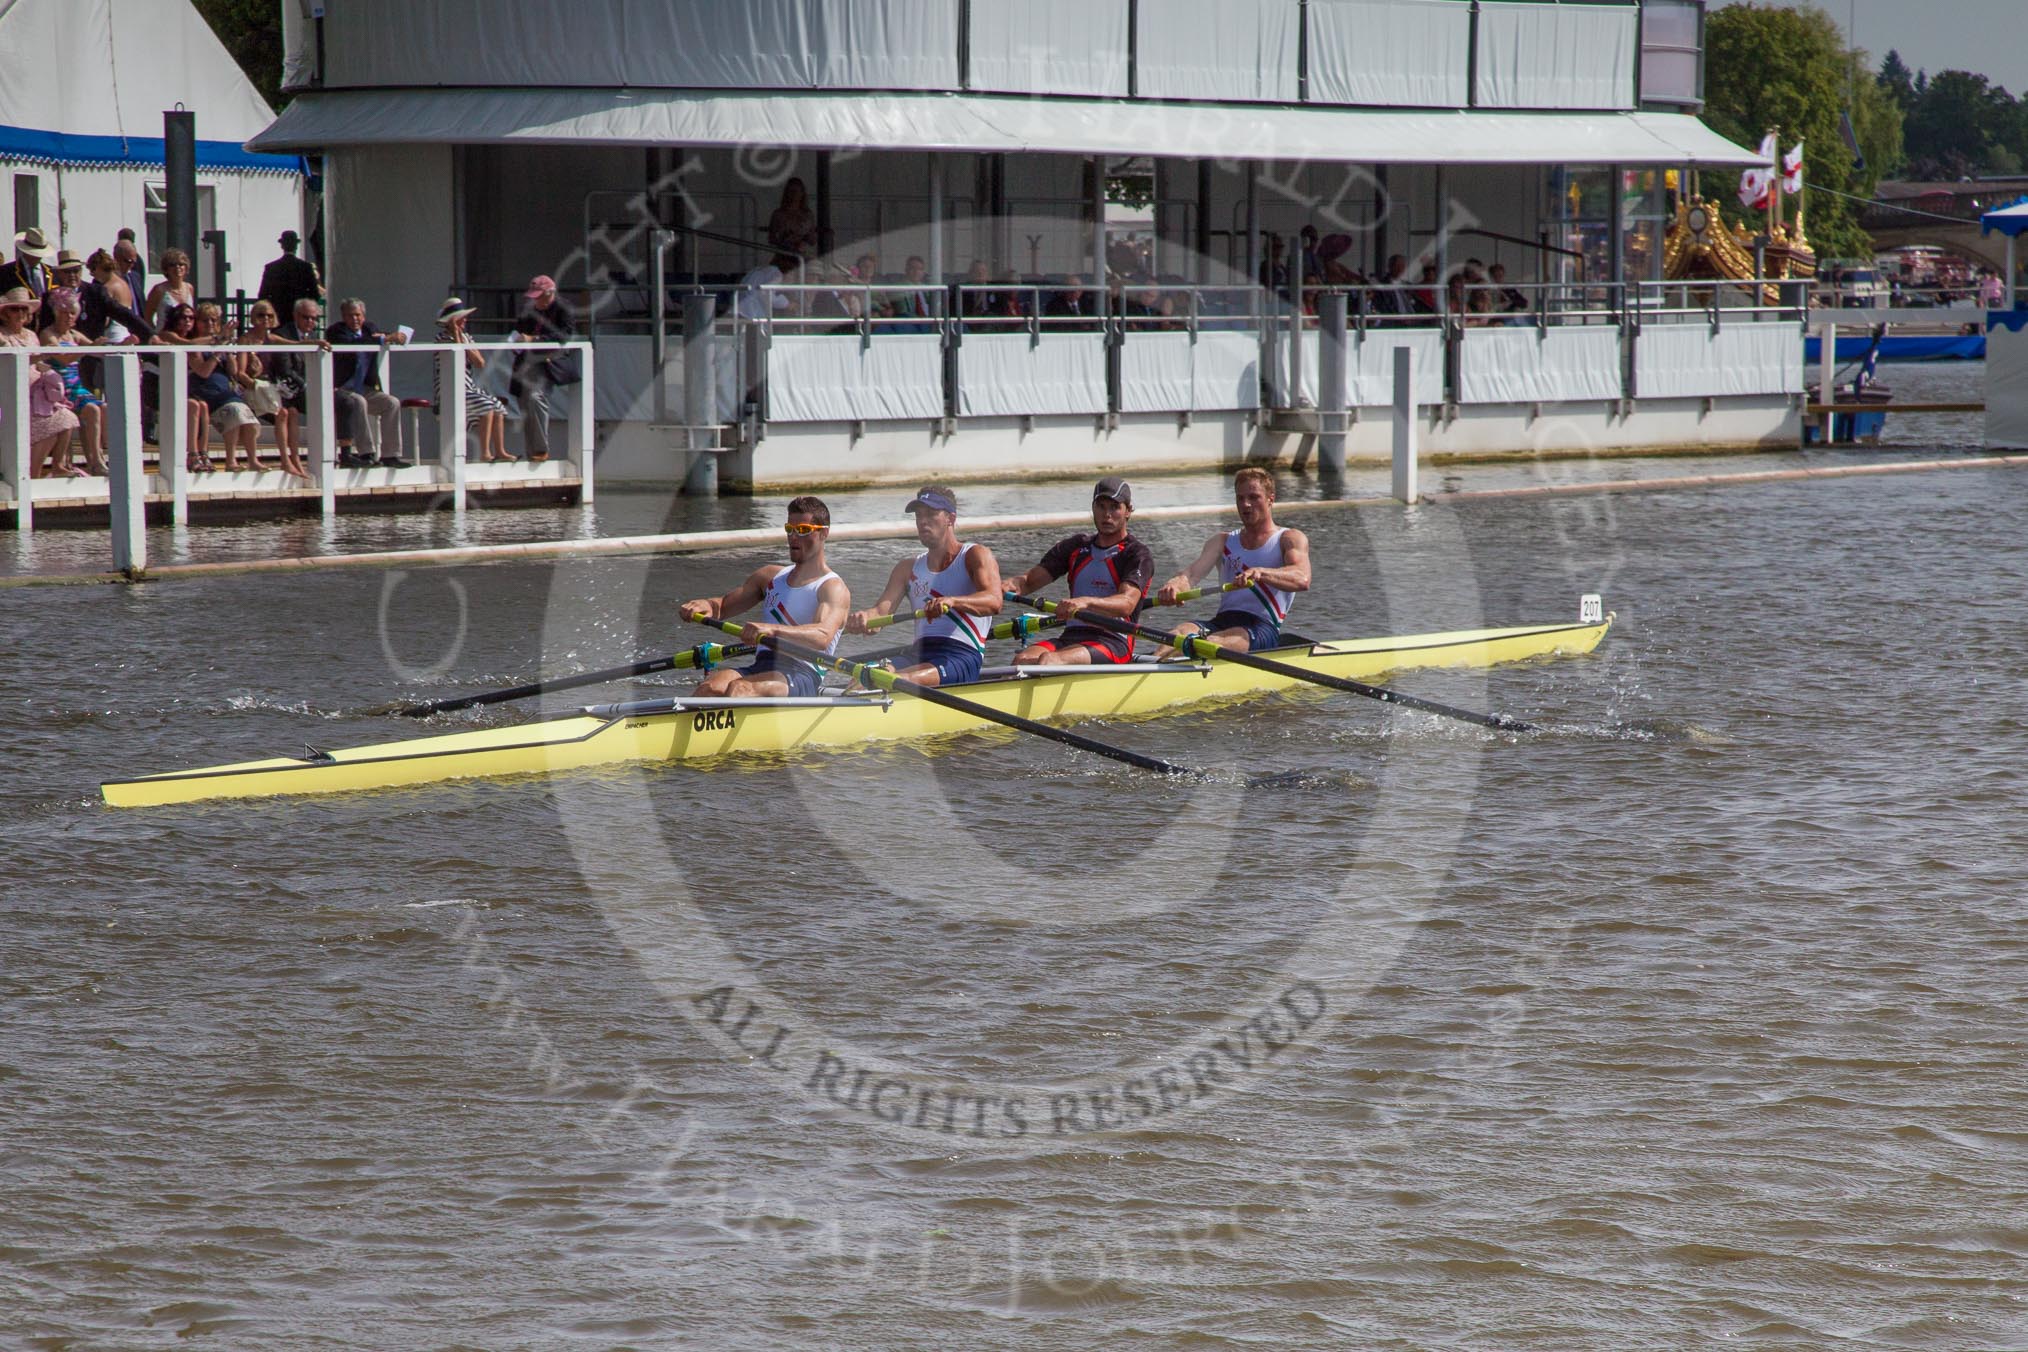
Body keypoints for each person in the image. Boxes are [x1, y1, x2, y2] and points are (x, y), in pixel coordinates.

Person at [680, 497, 851, 698]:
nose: (794, 537)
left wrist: (771, 629)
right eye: (789, 529)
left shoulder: (832, 587)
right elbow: (723, 607)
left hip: (801, 674)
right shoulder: (769, 576)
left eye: (803, 530)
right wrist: (706, 605)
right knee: (709, 688)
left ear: (824, 533)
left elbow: (822, 636)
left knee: (740, 689)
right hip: (762, 665)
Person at [845, 485, 1004, 689]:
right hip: (918, 653)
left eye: (931, 514)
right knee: (862, 677)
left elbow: (994, 601)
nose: (922, 521)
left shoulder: (975, 555)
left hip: (960, 656)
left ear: (951, 519)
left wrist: (953, 601)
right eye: (919, 515)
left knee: (895, 682)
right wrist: (863, 619)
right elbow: (879, 614)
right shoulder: (907, 568)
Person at [1153, 466, 1311, 655]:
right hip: (1222, 621)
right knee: (1177, 634)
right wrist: (1174, 586)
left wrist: (1261, 572)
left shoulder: (1289, 538)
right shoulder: (1222, 541)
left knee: (1211, 643)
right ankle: (1150, 667)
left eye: (1253, 497)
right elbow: (1191, 574)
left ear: (1271, 499)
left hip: (1261, 628)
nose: (1245, 504)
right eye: (1240, 498)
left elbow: (1302, 578)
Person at [1001, 476, 1155, 666]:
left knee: (1049, 660)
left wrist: (1085, 602)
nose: (1107, 514)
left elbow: (1126, 604)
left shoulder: (1137, 554)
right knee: (1021, 659)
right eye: (1101, 506)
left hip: (1113, 641)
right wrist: (1004, 586)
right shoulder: (1075, 547)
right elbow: (1028, 581)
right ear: (1093, 508)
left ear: (1128, 511)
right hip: (1072, 635)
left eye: (1114, 507)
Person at [325, 296, 409, 467]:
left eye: (358, 315)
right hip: (341, 388)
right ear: (343, 316)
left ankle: (390, 455)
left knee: (392, 403)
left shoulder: (370, 328)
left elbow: (379, 336)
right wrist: (383, 338)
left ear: (363, 316)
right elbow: (354, 343)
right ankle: (366, 453)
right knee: (359, 402)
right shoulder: (336, 331)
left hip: (364, 387)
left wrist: (395, 337)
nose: (355, 319)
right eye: (350, 315)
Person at [187, 305, 266, 474]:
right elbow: (203, 371)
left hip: (227, 393)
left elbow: (234, 372)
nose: (210, 323)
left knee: (250, 422)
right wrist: (217, 352)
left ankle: (253, 460)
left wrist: (228, 351)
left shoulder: (220, 342)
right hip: (207, 392)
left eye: (213, 320)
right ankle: (231, 461)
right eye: (205, 320)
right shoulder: (196, 345)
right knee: (235, 413)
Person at [38, 288, 108, 476]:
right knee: (91, 409)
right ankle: (95, 461)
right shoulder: (48, 334)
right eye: (64, 312)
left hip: (76, 387)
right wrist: (88, 348)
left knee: (103, 408)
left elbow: (97, 350)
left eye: (72, 313)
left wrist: (122, 345)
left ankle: (97, 459)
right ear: (55, 312)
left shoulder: (74, 335)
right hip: (57, 389)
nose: (68, 316)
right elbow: (64, 359)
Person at [434, 297, 511, 463]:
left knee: (497, 406)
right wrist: (455, 334)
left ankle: (500, 451)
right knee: (487, 406)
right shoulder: (442, 339)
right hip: (450, 388)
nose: (465, 320)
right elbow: (457, 355)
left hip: (468, 387)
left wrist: (462, 339)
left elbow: (480, 362)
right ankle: (485, 453)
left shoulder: (467, 337)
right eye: (461, 318)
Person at [508, 274, 574, 463]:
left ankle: (540, 449)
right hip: (526, 360)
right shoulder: (529, 309)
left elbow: (563, 336)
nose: (536, 300)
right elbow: (519, 329)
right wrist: (516, 339)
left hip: (548, 361)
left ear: (550, 293)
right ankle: (532, 453)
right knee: (524, 403)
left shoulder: (563, 308)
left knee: (536, 398)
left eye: (540, 296)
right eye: (534, 297)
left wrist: (534, 339)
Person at [242, 299, 311, 479]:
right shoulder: (246, 340)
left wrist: (317, 342)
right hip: (254, 388)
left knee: (293, 412)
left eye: (269, 315)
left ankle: (295, 458)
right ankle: (285, 461)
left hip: (270, 389)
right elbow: (239, 374)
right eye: (261, 315)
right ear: (253, 317)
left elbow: (294, 345)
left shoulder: (271, 338)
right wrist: (256, 383)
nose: (265, 319)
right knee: (283, 414)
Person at [256, 229, 323, 321]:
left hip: (278, 315)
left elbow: (263, 295)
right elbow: (314, 294)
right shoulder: (306, 267)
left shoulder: (271, 268)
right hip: (300, 315)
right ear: (296, 246)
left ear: (282, 246)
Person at [767, 177, 818, 259]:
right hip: (784, 255)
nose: (794, 194)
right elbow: (771, 238)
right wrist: (785, 240)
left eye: (797, 191)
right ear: (786, 193)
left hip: (803, 254)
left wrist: (804, 240)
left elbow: (813, 239)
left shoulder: (808, 214)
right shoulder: (778, 214)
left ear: (802, 193)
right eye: (791, 191)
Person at [143, 248, 195, 327]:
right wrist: (155, 334)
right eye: (172, 265)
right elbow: (147, 317)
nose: (177, 267)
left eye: (181, 264)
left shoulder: (189, 288)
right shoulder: (158, 290)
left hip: (187, 337)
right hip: (165, 336)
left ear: (186, 268)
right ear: (166, 269)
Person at [0, 228, 55, 299]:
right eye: (34, 253)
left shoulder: (52, 272)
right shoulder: (5, 272)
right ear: (25, 251)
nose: (37, 256)